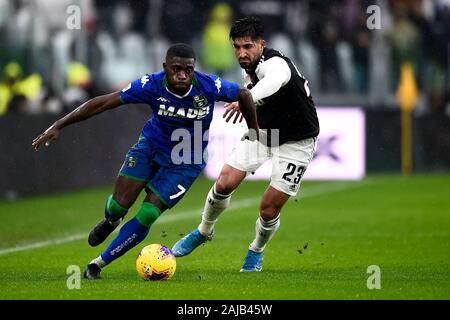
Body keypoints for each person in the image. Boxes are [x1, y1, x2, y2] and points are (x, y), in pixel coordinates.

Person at [32, 43, 259, 279]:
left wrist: (253, 131)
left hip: (186, 161)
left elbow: (243, 94)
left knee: (149, 213)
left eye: (188, 70)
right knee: (119, 206)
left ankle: (98, 263)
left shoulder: (209, 85)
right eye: (176, 69)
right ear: (165, 67)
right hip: (150, 149)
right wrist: (59, 125)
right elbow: (103, 102)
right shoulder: (150, 85)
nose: (183, 75)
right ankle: (111, 220)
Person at [172, 17, 320, 272]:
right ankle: (203, 231)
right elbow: (260, 90)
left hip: (298, 139)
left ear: (262, 44)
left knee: (269, 208)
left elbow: (274, 81)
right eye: (237, 47)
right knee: (224, 182)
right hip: (266, 132)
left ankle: (256, 251)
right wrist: (250, 102)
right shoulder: (249, 68)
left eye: (248, 46)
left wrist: (247, 98)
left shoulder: (277, 64)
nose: (242, 53)